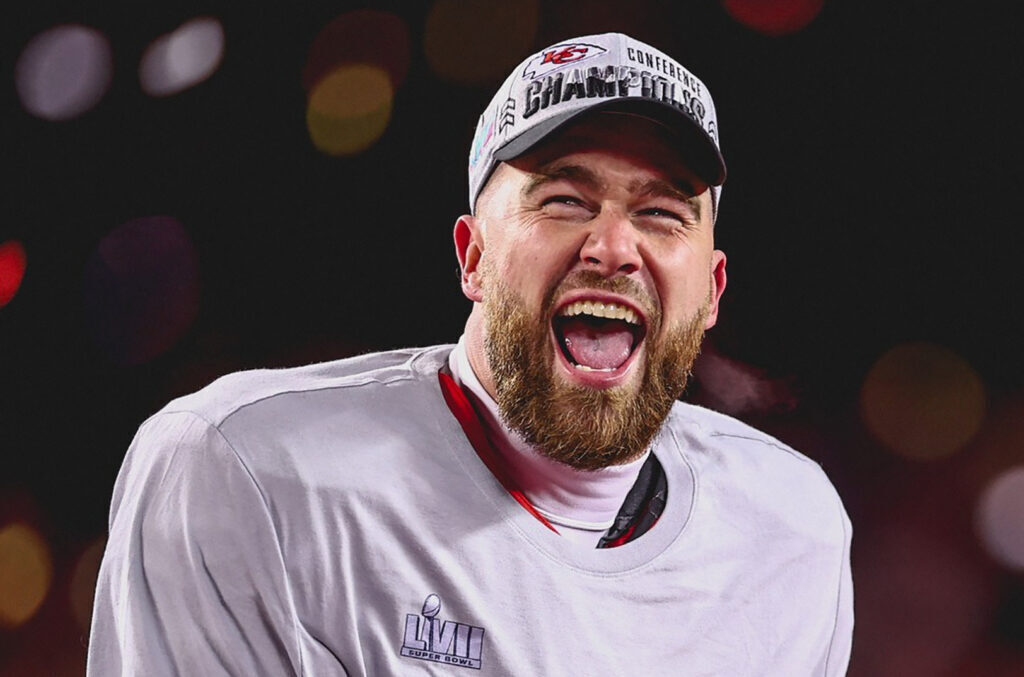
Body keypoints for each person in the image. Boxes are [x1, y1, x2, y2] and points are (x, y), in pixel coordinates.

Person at [88, 32, 853, 676]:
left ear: (712, 289)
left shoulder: (791, 528)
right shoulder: (250, 469)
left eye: (661, 212)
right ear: (474, 256)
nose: (614, 246)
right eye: (565, 200)